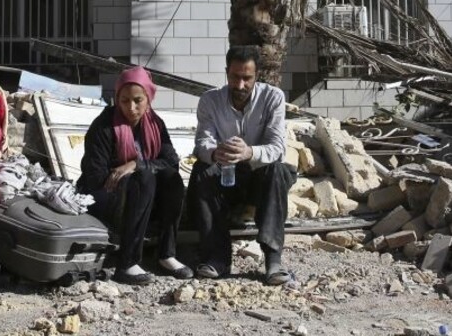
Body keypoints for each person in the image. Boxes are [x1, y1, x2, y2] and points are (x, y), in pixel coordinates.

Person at [189, 45, 294, 285]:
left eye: (247, 78)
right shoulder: (210, 100)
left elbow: (277, 148)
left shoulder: (273, 97)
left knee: (278, 169)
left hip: (259, 180)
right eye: (235, 77)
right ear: (227, 73)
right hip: (225, 179)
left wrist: (248, 152)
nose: (240, 85)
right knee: (201, 171)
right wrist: (216, 153)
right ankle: (216, 258)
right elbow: (202, 143)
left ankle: (273, 260)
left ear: (257, 75)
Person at [77, 66, 192, 284]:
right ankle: (127, 263)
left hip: (145, 199)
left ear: (149, 98)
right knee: (144, 179)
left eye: (138, 100)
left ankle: (167, 254)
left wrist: (136, 164)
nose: (131, 107)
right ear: (117, 99)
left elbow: (171, 162)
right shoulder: (104, 126)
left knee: (171, 179)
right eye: (124, 100)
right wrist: (132, 175)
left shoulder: (155, 124)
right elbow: (94, 177)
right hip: (106, 198)